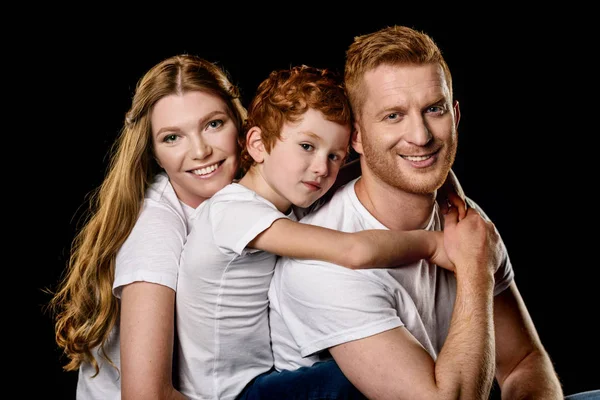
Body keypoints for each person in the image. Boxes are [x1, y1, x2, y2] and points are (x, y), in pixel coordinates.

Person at [267, 25, 567, 400]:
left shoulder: (467, 223)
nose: (421, 136)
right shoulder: (321, 265)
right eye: (393, 116)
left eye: (434, 109)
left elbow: (523, 360)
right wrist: (475, 270)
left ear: (455, 115)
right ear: (356, 136)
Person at [174, 64, 467, 400]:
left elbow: (390, 166)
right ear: (257, 144)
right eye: (307, 147)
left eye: (335, 156)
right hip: (229, 394)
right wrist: (436, 245)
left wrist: (444, 190)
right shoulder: (233, 212)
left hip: (265, 376)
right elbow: (353, 251)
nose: (321, 168)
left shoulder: (287, 195)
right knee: (356, 378)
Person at [48, 54, 247, 399]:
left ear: (239, 123)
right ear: (153, 152)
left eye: (213, 124)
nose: (200, 150)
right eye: (173, 138)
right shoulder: (154, 231)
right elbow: (144, 396)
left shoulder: (242, 201)